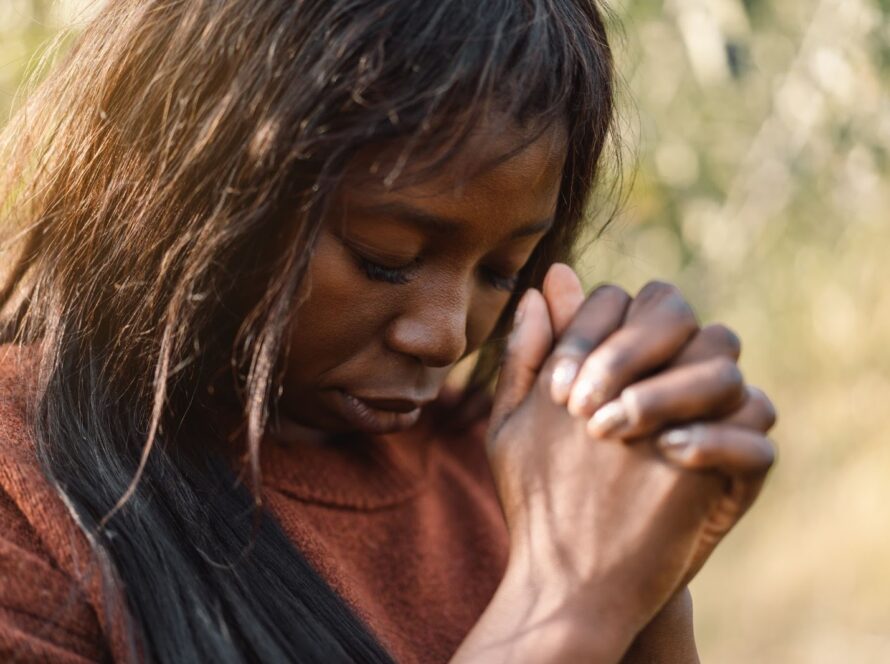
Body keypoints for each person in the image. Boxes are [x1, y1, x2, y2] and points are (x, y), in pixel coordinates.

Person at [0, 1, 776, 662]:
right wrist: (568, 598)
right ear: (194, 183)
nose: (445, 337)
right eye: (386, 259)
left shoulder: (500, 471)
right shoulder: (28, 501)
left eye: (504, 270)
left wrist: (647, 574)